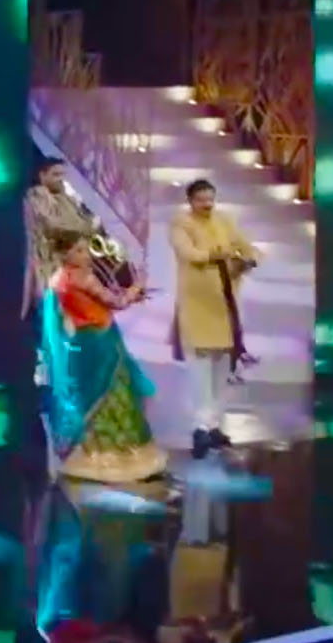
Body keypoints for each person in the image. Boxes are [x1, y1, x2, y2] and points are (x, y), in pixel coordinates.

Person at [42, 230, 167, 483]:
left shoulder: (56, 279)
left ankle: (88, 453)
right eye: (79, 251)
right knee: (114, 391)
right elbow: (116, 302)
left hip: (79, 344)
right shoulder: (83, 278)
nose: (86, 255)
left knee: (86, 395)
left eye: (85, 249)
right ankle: (119, 456)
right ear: (65, 255)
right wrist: (136, 287)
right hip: (100, 342)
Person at [169, 179, 260, 458]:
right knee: (200, 371)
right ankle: (199, 428)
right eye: (201, 200)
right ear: (190, 201)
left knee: (223, 369)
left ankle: (214, 426)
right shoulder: (181, 223)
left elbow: (246, 246)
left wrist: (249, 259)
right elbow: (188, 254)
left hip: (224, 303)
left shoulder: (224, 220)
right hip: (197, 305)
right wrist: (216, 254)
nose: (207, 204)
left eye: (210, 198)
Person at [24, 159, 99, 319]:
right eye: (56, 174)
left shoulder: (66, 197)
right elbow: (54, 225)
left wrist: (90, 224)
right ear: (42, 175)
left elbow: (81, 221)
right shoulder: (38, 195)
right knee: (52, 315)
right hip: (50, 265)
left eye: (63, 175)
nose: (61, 179)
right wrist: (88, 227)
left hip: (69, 266)